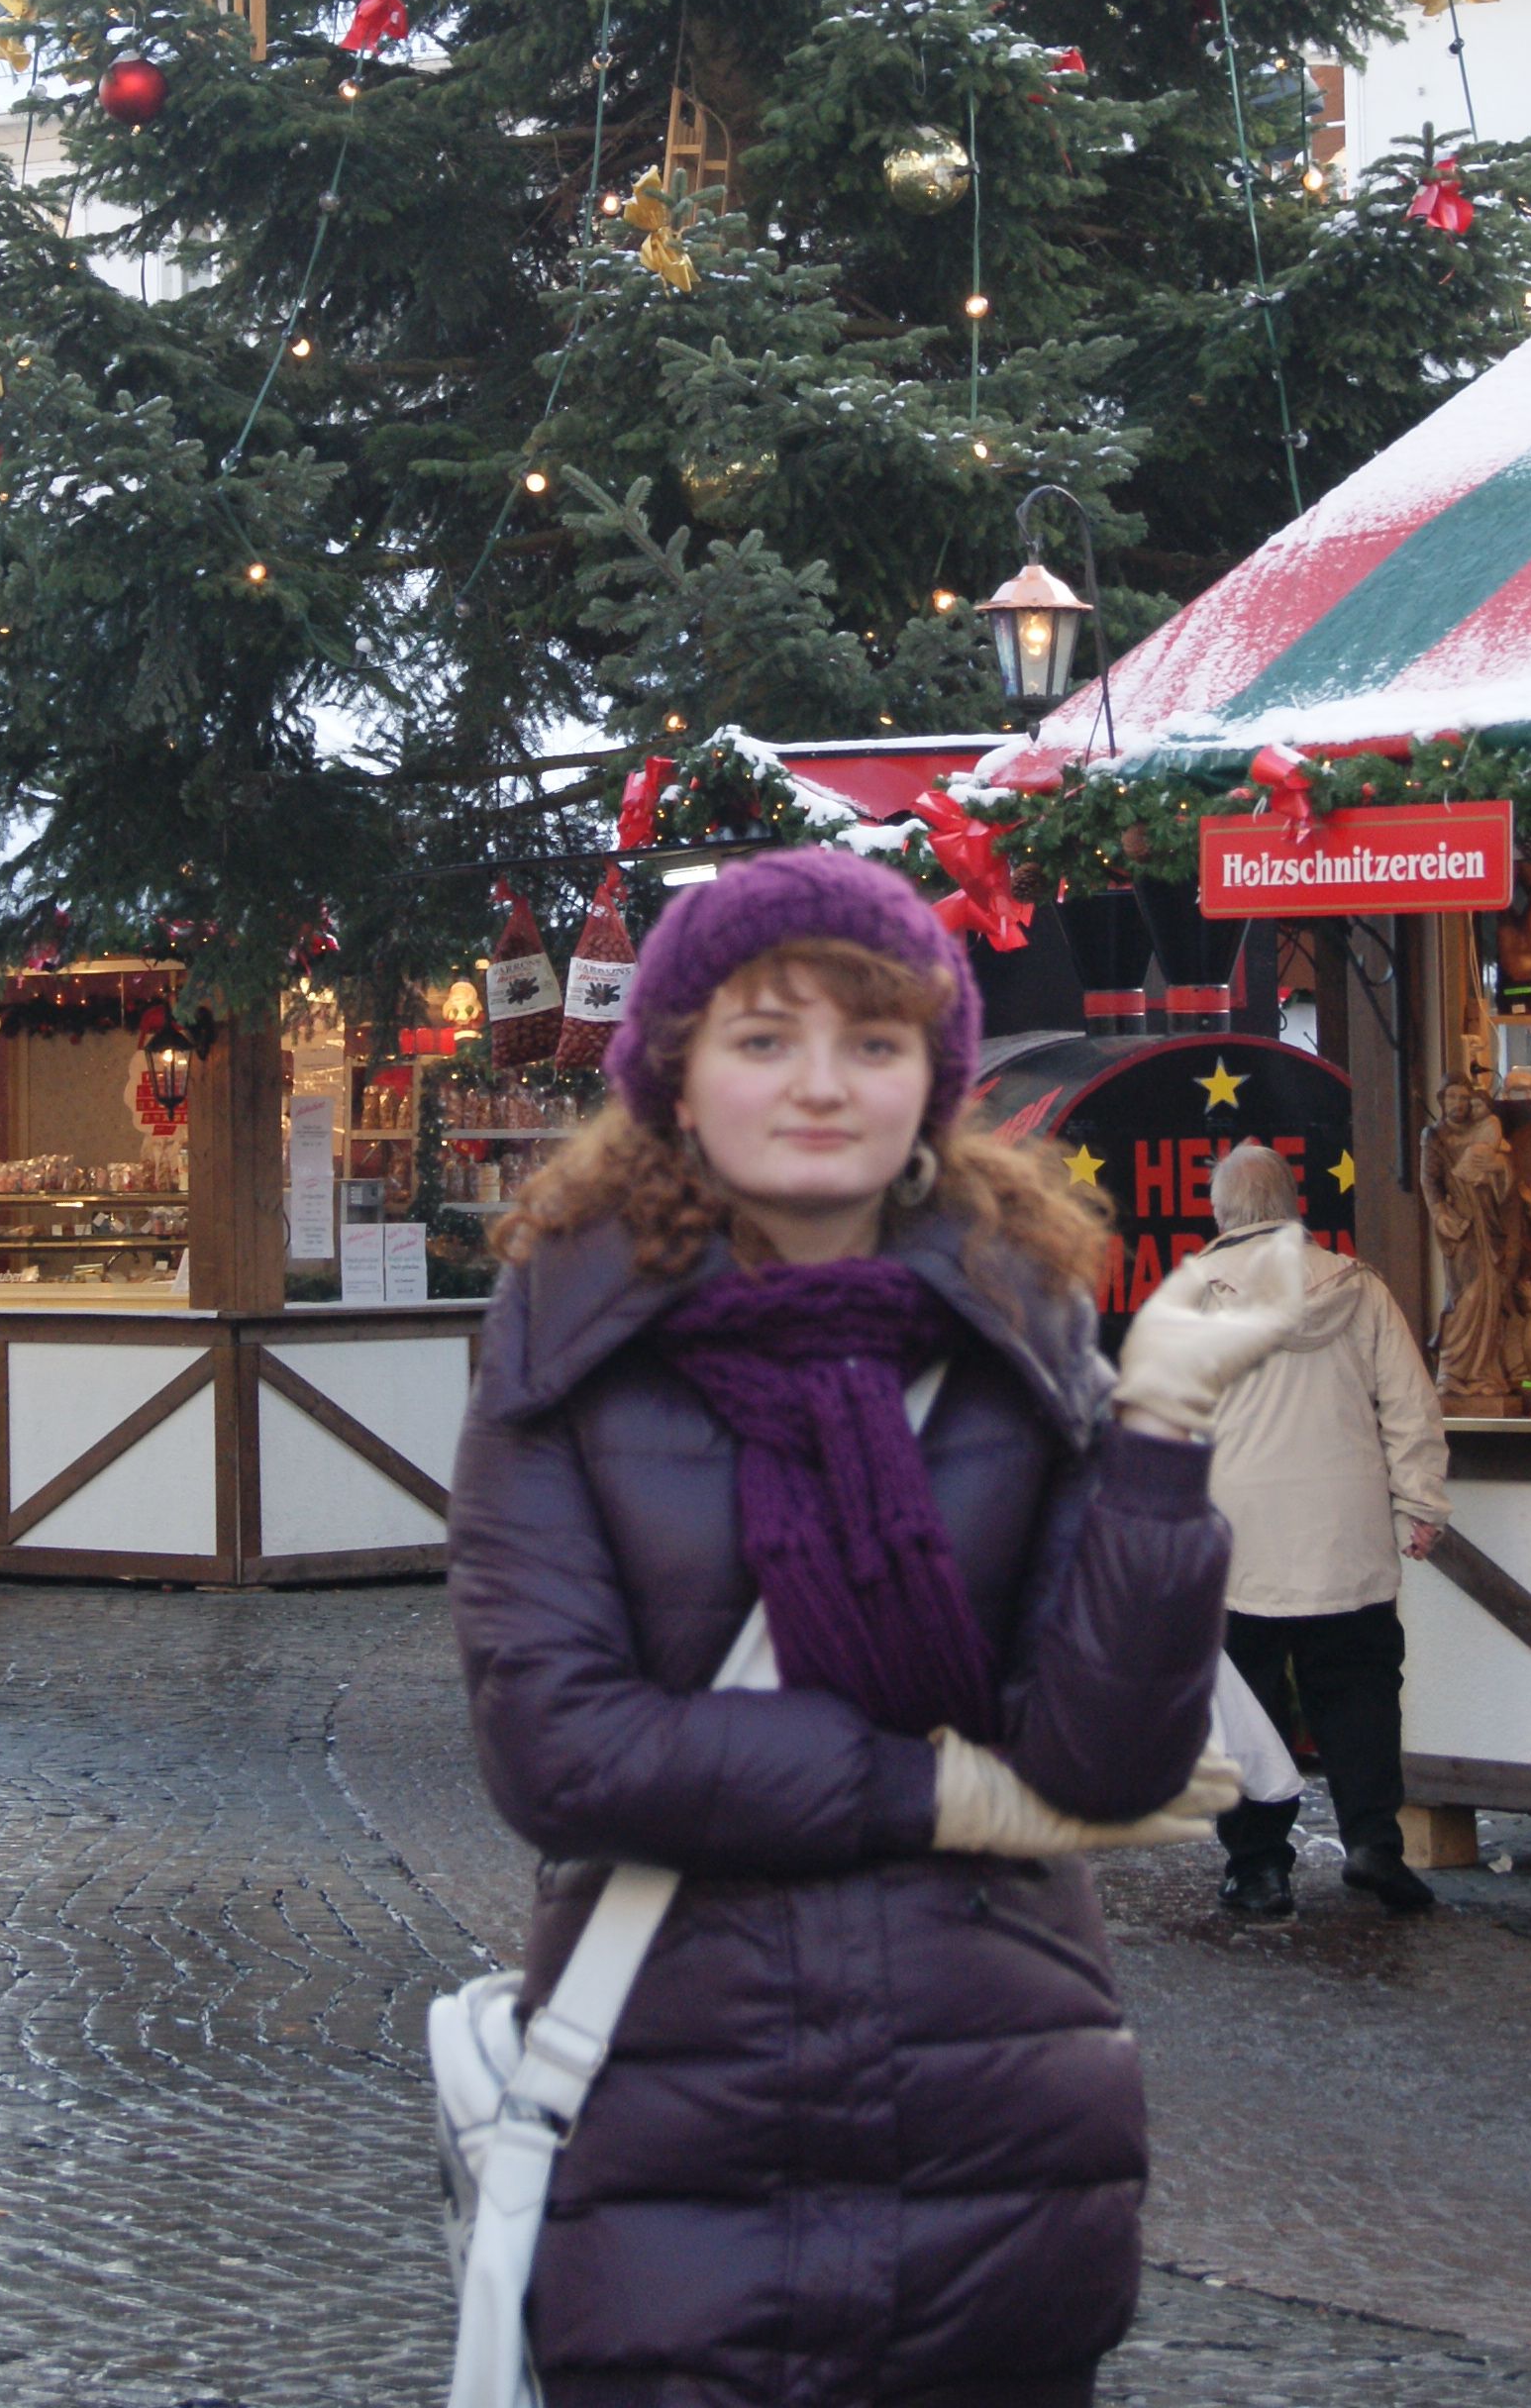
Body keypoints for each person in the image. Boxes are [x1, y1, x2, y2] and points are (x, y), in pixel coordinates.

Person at [448, 846, 1303, 2408]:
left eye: (875, 1038)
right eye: (765, 1038)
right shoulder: (567, 1338)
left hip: (1004, 2150)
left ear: (934, 1075)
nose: (822, 1083)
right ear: (675, 1068)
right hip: (675, 2139)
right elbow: (559, 1751)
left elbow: (1106, 1761)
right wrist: (932, 1790)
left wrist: (1161, 1437)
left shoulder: (1020, 1322)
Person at [1193, 1140, 1450, 1922]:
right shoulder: (1358, 1288)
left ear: (1223, 1211)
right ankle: (1373, 1844)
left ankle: (1259, 1867)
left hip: (1240, 1537)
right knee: (1361, 1688)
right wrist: (1419, 1505)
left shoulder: (1195, 1295)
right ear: (1292, 1204)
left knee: (1248, 1705)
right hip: (1347, 1530)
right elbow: (1409, 1405)